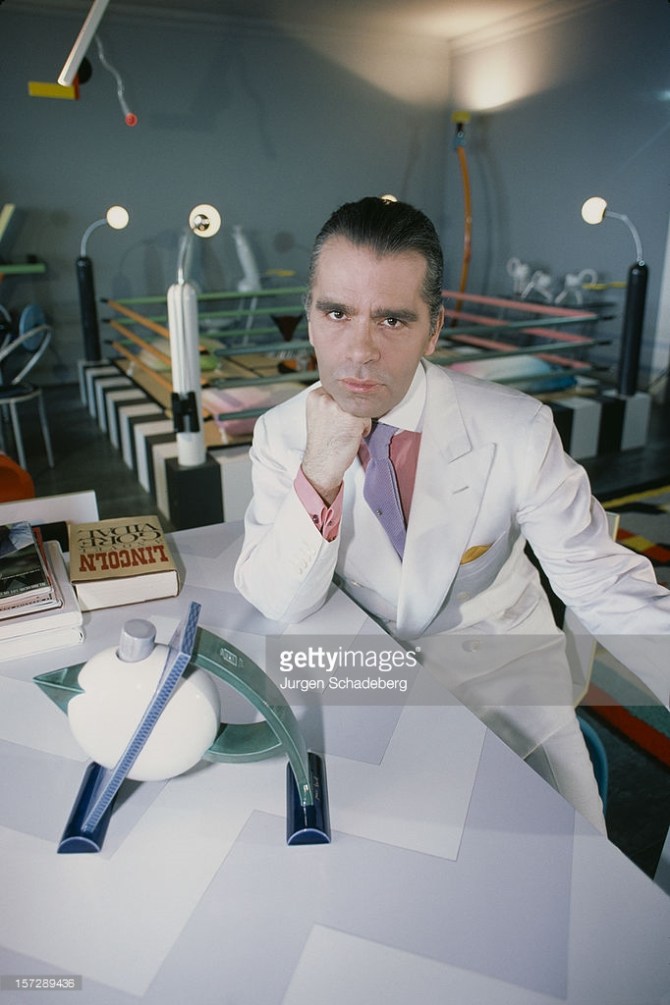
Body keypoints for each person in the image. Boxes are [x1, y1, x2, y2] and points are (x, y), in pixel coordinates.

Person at [234, 195, 670, 834]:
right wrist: (320, 472)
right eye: (336, 312)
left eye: (391, 320)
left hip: (504, 669)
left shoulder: (516, 430)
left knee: (579, 846)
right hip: (362, 669)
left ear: (434, 330)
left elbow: (601, 582)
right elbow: (279, 598)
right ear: (309, 316)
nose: (359, 351)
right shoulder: (278, 435)